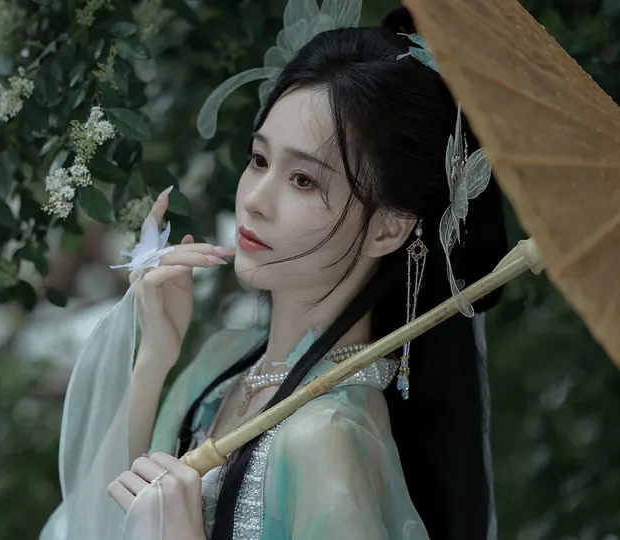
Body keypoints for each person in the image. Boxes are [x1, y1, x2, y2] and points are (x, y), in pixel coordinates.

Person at [40, 2, 508, 539]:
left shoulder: (327, 437)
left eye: (304, 180)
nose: (255, 200)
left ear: (388, 227)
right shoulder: (219, 366)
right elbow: (89, 525)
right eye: (260, 160)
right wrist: (154, 360)